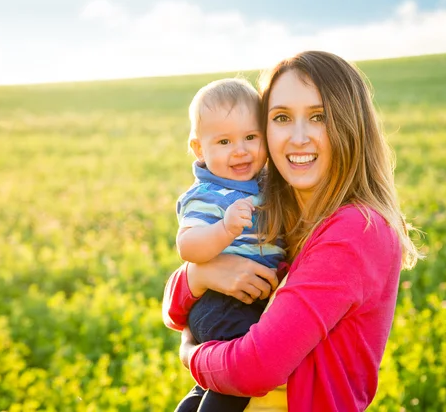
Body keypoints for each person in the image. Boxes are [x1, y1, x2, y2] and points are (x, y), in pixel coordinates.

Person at [163, 51, 422, 411]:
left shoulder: (354, 231)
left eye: (318, 117)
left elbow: (255, 369)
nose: (298, 137)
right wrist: (201, 273)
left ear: (350, 124)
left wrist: (191, 354)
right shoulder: (281, 210)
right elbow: (175, 310)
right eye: (281, 117)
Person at [173, 78, 287, 412]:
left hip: (248, 303)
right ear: (199, 149)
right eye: (224, 141)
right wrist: (223, 230)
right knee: (240, 374)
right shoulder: (206, 196)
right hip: (219, 304)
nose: (240, 150)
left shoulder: (265, 184)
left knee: (215, 383)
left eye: (251, 137)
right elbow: (188, 247)